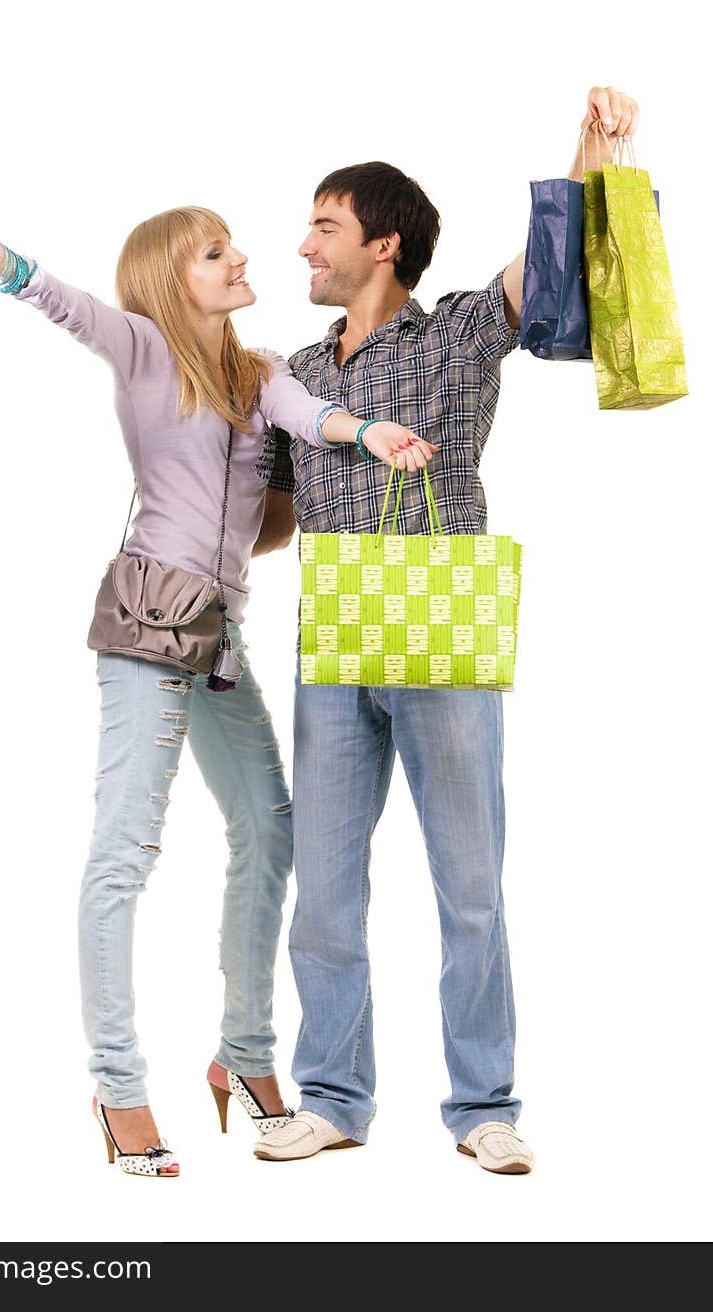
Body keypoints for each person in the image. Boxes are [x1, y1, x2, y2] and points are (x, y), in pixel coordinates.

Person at [0, 182, 437, 1178]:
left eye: (231, 246)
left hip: (218, 637)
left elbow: (311, 415)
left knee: (270, 826)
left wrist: (370, 434)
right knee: (125, 852)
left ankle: (244, 1052)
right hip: (147, 628)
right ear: (169, 281)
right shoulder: (145, 351)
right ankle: (118, 1083)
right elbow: (51, 295)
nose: (239, 259)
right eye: (214, 252)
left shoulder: (259, 371)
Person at [255, 86, 640, 1175]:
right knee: (324, 888)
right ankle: (332, 1096)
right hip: (331, 639)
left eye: (323, 227)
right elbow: (276, 525)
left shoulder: (464, 331)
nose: (303, 245)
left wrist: (590, 149)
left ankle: (484, 1105)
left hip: (440, 631)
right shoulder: (295, 374)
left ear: (382, 244)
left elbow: (541, 268)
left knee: (468, 885)